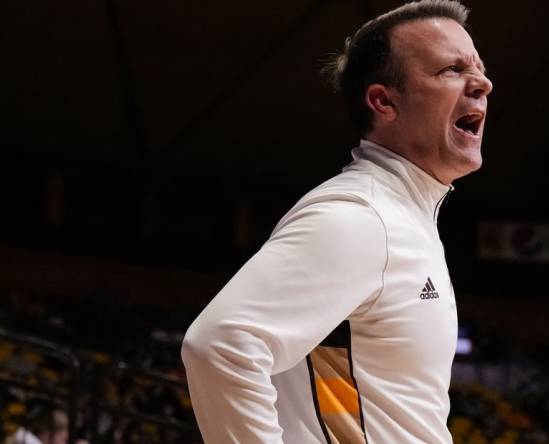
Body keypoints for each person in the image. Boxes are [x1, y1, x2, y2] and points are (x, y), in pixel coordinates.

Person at [180, 0, 492, 442]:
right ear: (384, 101)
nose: (483, 83)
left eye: (479, 68)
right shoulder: (360, 217)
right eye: (451, 70)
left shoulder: (403, 216)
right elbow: (220, 345)